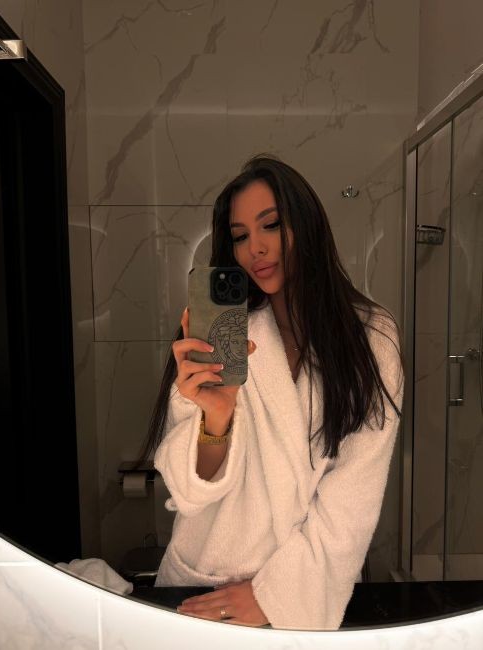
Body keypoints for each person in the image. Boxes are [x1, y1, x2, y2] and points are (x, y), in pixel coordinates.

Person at [136, 154, 405, 630]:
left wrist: (273, 596)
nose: (254, 249)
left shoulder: (370, 339)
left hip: (301, 592)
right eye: (239, 236)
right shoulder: (221, 334)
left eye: (271, 225)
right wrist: (217, 420)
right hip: (205, 584)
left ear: (307, 225)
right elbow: (187, 492)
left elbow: (354, 496)